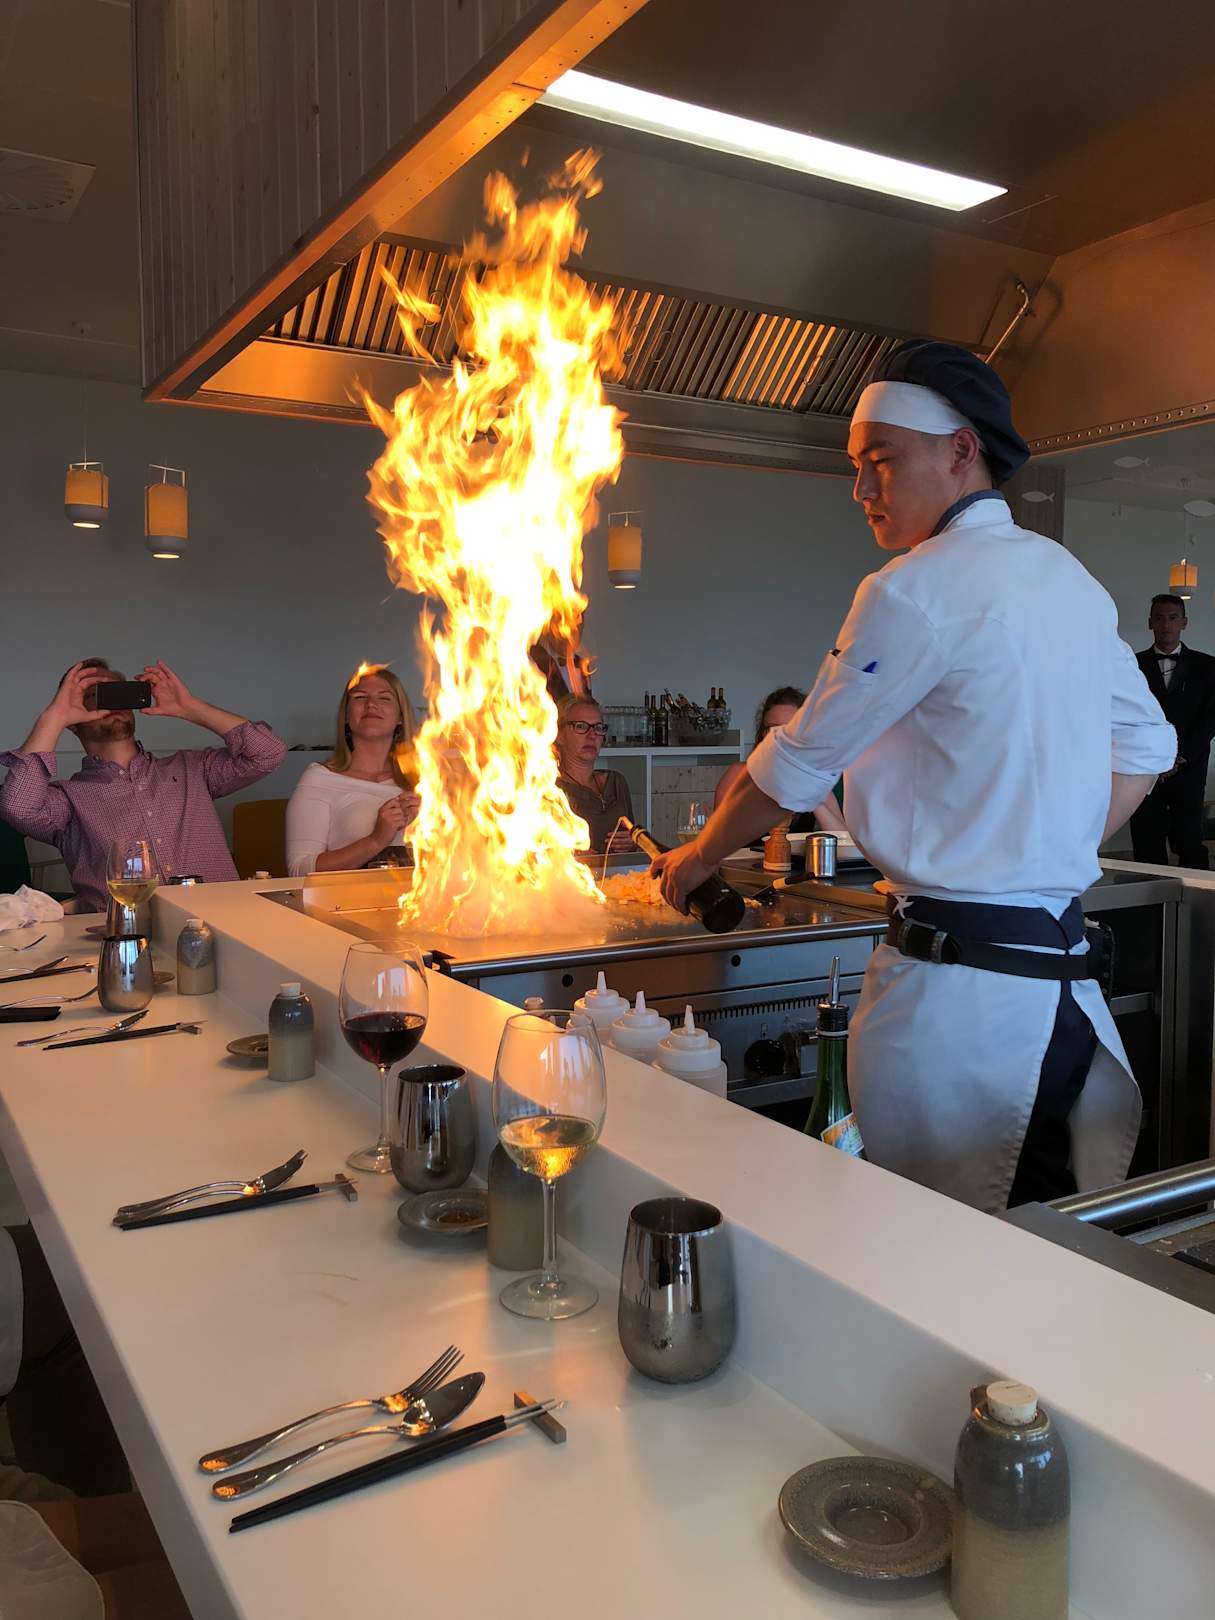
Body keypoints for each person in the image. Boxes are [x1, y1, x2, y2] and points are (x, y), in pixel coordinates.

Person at [653, 339, 1175, 1214]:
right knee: (1037, 1241)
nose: (861, 488)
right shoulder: (1069, 582)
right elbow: (1147, 747)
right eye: (855, 466)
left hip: (962, 1015)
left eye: (881, 461)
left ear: (961, 450)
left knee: (948, 1252)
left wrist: (698, 858)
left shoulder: (911, 589)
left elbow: (795, 764)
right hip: (1059, 995)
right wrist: (1035, 845)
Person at [0, 660, 287, 913]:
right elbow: (17, 807)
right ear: (73, 717)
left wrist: (190, 708)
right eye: (95, 695)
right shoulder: (68, 800)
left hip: (223, 924)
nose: (112, 703)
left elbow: (268, 752)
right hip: (123, 937)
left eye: (118, 692)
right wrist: (54, 718)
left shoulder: (193, 769)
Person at [286, 665, 420, 875]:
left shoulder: (425, 780)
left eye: (384, 698)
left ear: (400, 717)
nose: (371, 704)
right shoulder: (320, 778)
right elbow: (299, 870)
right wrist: (376, 840)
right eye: (360, 697)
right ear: (347, 716)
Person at [1129, 594, 1215, 869]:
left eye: (1173, 618)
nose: (1166, 625)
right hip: (1144, 767)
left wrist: (1180, 757)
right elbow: (1124, 715)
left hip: (1190, 767)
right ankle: (1148, 895)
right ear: (1150, 623)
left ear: (1184, 622)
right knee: (1146, 838)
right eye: (1159, 618)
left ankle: (1199, 895)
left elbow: (1210, 719)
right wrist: (1154, 758)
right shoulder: (1130, 665)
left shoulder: (1208, 666)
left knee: (1189, 840)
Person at [714, 686, 845, 832]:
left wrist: (814, 797)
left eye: (790, 729)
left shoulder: (816, 781)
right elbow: (718, 837)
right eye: (773, 729)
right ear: (763, 733)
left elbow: (843, 839)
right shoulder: (738, 776)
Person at [555, 693, 634, 852]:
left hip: (618, 869)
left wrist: (632, 841)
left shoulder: (616, 782)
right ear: (559, 735)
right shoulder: (549, 788)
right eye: (581, 726)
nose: (592, 736)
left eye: (598, 728)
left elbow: (634, 840)